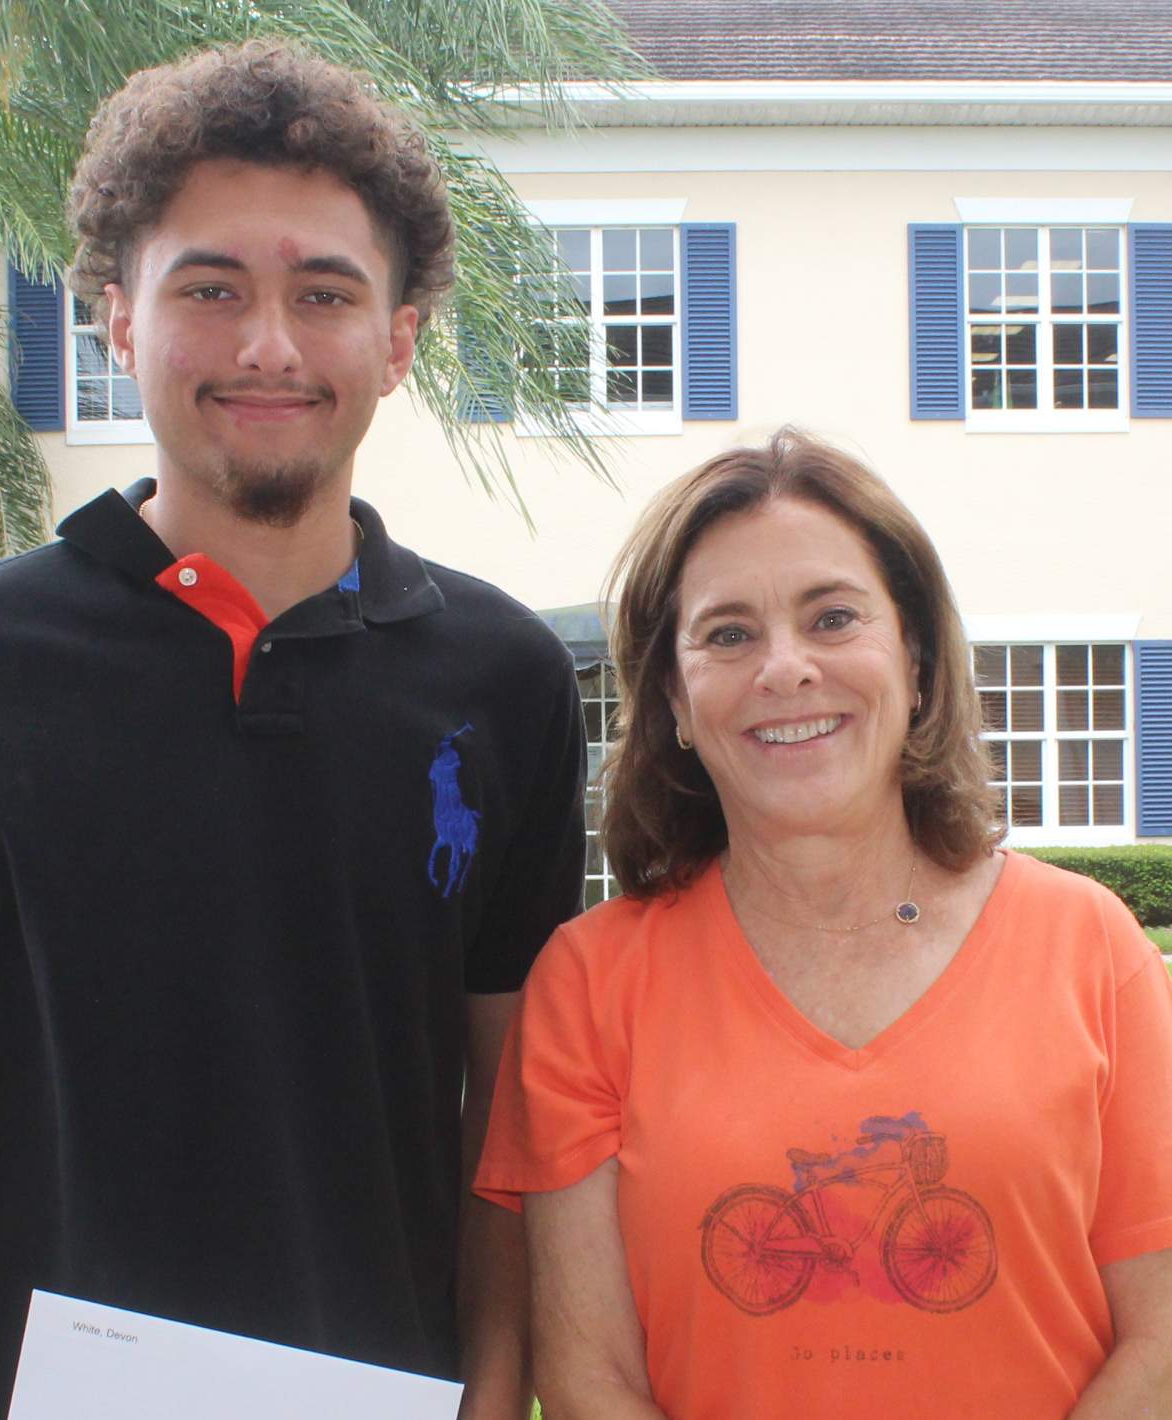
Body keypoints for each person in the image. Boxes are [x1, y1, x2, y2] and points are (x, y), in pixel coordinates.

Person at [0, 41, 585, 1420]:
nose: (269, 345)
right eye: (211, 288)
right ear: (117, 317)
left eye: (325, 293)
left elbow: (509, 1150)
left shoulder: (504, 684)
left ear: (399, 340)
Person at [474, 429, 1172, 1418]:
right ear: (672, 697)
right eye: (726, 634)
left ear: (916, 660)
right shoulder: (589, 983)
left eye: (832, 617)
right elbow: (589, 1379)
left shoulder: (1091, 950)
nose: (785, 668)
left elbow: (1159, 1342)